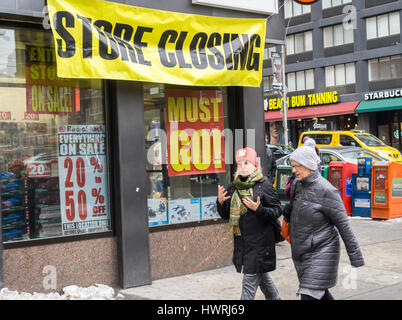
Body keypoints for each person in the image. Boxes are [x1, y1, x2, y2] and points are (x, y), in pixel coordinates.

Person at [283, 146, 365, 300]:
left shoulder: (327, 191)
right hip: (302, 251)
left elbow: (344, 226)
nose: (293, 170)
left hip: (323, 250)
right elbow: (297, 210)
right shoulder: (297, 185)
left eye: (296, 166)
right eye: (292, 166)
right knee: (320, 295)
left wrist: (355, 256)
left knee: (309, 295)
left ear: (308, 164)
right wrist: (288, 214)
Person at [216, 147, 282, 300]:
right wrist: (220, 203)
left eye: (246, 163)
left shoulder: (264, 185)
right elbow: (226, 215)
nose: (243, 166)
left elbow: (277, 211)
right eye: (239, 163)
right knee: (263, 279)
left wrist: (259, 209)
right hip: (244, 244)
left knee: (249, 283)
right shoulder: (233, 187)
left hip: (261, 244)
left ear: (255, 165)